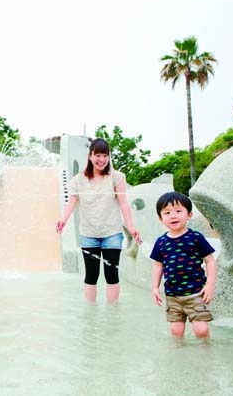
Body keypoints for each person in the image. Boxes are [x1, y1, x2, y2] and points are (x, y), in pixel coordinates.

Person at [56, 138, 141, 303]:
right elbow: (71, 202)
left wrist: (131, 227)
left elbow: (124, 204)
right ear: (90, 156)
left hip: (112, 233)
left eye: (105, 155)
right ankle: (91, 314)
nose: (101, 160)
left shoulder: (116, 177)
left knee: (111, 274)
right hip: (88, 233)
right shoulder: (78, 180)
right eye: (98, 155)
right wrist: (62, 220)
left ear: (109, 157)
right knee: (91, 275)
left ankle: (112, 313)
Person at [150, 191, 217, 339]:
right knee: (176, 331)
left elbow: (210, 261)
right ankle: (179, 357)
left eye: (178, 211)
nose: (173, 216)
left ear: (189, 214)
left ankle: (204, 355)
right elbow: (158, 265)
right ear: (161, 219)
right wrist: (155, 286)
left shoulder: (195, 238)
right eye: (167, 213)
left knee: (201, 330)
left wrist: (210, 285)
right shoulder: (161, 242)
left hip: (196, 293)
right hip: (173, 296)